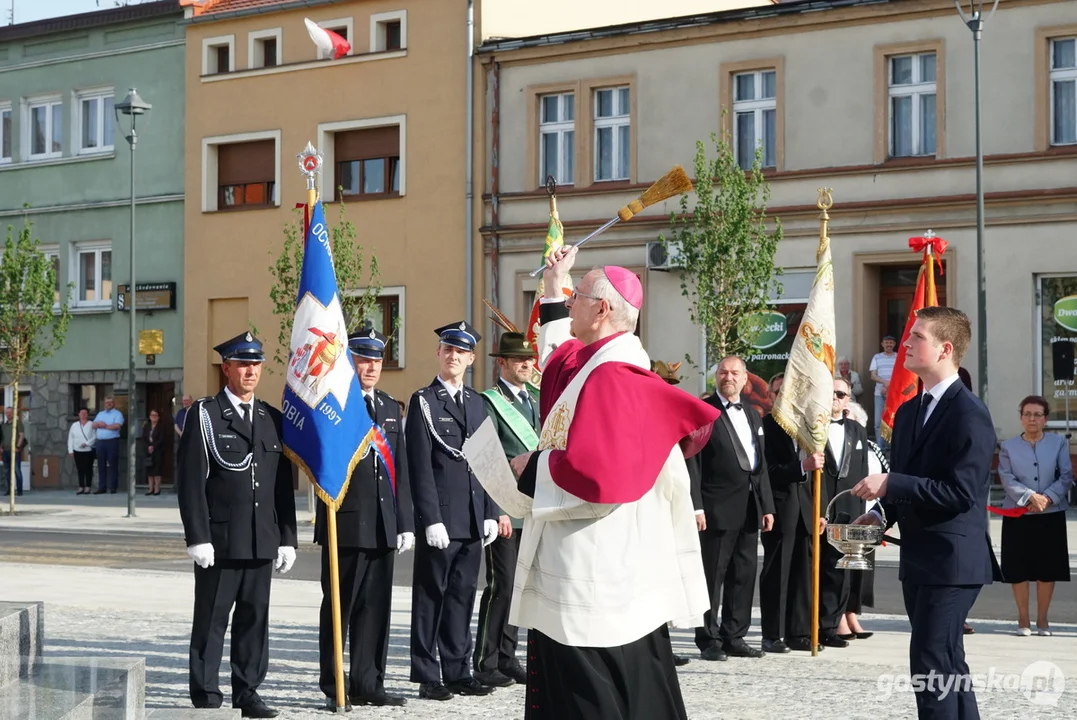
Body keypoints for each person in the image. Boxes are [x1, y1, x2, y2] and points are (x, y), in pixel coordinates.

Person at [507, 247, 718, 719]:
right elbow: (557, 363)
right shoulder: (599, 364)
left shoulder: (613, 377)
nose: (569, 300)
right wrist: (554, 280)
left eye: (576, 295)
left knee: (597, 695)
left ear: (602, 309)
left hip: (596, 570)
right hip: (607, 564)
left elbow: (596, 476)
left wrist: (533, 468)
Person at [853, 306, 1000, 720]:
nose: (905, 344)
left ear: (945, 349)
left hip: (953, 562)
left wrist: (890, 484)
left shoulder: (970, 413)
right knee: (947, 662)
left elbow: (960, 492)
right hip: (918, 559)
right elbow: (906, 479)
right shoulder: (908, 412)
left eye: (916, 337)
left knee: (930, 662)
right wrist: (880, 515)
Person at [177, 332, 298, 719]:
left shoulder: (270, 418)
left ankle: (248, 692)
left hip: (262, 539)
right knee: (212, 619)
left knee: (254, 620)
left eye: (256, 365)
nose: (250, 371)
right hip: (222, 540)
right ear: (226, 368)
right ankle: (207, 695)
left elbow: (282, 486)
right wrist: (198, 536)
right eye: (242, 364)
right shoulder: (206, 414)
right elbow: (190, 480)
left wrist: (288, 538)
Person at [316, 328, 413, 710]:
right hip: (346, 522)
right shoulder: (334, 404)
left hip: (382, 524)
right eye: (363, 358)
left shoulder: (390, 406)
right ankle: (334, 686)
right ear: (348, 361)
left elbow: (399, 470)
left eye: (377, 359)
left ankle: (369, 682)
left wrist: (404, 522)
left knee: (376, 608)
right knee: (339, 610)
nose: (371, 366)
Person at [406, 321, 498, 702]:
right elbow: (420, 466)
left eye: (461, 352)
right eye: (448, 350)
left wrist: (491, 510)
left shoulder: (476, 403)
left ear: (471, 359)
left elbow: (488, 460)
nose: (454, 356)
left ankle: (459, 670)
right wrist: (430, 518)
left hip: (473, 516)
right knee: (431, 597)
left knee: (462, 596)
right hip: (442, 520)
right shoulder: (424, 402)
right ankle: (428, 674)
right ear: (439, 354)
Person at [691, 356, 775, 661]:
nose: (729, 377)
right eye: (723, 372)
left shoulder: (753, 415)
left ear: (745, 379)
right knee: (712, 577)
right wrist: (696, 507)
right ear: (717, 377)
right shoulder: (704, 412)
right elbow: (694, 464)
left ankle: (734, 635)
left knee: (743, 574)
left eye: (735, 373)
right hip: (715, 508)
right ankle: (709, 638)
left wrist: (767, 505)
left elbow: (759, 465)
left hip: (749, 508)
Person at [473, 331, 541, 687]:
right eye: (518, 360)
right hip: (506, 507)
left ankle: (508, 656)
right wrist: (497, 508)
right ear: (501, 363)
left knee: (522, 587)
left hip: (534, 508)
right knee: (502, 584)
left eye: (529, 359)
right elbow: (489, 458)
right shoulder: (490, 402)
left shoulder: (536, 400)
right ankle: (486, 660)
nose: (526, 364)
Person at [760, 374, 827, 654]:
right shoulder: (767, 427)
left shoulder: (808, 427)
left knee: (804, 572)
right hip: (781, 508)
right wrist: (802, 466)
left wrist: (821, 511)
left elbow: (819, 476)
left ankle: (799, 631)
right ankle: (773, 634)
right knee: (778, 572)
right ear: (773, 397)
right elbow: (767, 472)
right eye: (780, 392)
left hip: (807, 510)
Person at [997, 395, 1072, 637]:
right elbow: (1007, 478)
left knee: (1047, 568)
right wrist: (1030, 497)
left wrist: (1047, 498)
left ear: (1045, 419)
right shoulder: (1008, 446)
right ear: (1021, 418)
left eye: (1037, 414)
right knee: (1018, 568)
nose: (1032, 419)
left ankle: (1043, 620)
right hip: (1019, 514)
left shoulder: (1058, 443)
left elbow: (1066, 476)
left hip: (1050, 514)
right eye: (1027, 414)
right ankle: (1023, 620)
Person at [817, 378, 870, 648]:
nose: (835, 397)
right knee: (819, 570)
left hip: (850, 512)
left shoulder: (857, 431)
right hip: (820, 509)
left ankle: (831, 625)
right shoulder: (813, 428)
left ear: (848, 399)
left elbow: (862, 474)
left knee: (842, 571)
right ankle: (814, 625)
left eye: (841, 394)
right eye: (832, 393)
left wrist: (864, 512)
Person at [840, 400, 879, 640]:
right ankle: (839, 616)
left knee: (860, 572)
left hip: (869, 516)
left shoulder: (871, 448)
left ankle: (853, 612)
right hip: (846, 513)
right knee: (843, 569)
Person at [869, 335, 898, 451]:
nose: (889, 345)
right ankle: (880, 448)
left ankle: (893, 447)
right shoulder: (876, 357)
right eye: (886, 343)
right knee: (878, 422)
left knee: (893, 421)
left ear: (894, 344)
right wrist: (885, 382)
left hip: (894, 395)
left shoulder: (898, 357)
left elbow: (900, 375)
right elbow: (873, 375)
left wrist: (889, 386)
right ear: (882, 344)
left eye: (891, 343)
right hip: (879, 394)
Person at [92, 397, 124, 494]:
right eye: (107, 402)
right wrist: (99, 424)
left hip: (112, 442)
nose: (108, 404)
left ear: (114, 403)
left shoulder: (118, 414)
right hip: (100, 442)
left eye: (110, 402)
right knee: (101, 465)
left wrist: (104, 426)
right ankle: (102, 487)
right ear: (104, 404)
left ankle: (113, 487)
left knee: (113, 465)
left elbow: (117, 426)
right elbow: (93, 425)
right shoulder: (100, 414)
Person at [68, 408, 97, 495]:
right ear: (79, 414)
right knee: (80, 469)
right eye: (82, 413)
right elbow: (71, 438)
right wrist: (70, 449)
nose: (83, 414)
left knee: (88, 469)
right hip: (77, 450)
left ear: (87, 415)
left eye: (85, 413)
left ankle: (88, 486)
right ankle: (81, 486)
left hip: (88, 450)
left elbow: (95, 436)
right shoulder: (74, 425)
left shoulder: (91, 424)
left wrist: (87, 443)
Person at [143, 409, 165, 496]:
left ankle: (157, 489)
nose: (153, 417)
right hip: (148, 451)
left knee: (157, 470)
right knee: (149, 470)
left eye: (155, 415)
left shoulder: (161, 426)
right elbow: (143, 438)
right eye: (152, 415)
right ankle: (150, 488)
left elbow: (161, 438)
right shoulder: (147, 426)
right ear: (149, 417)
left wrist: (153, 446)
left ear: (158, 417)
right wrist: (148, 446)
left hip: (158, 450)